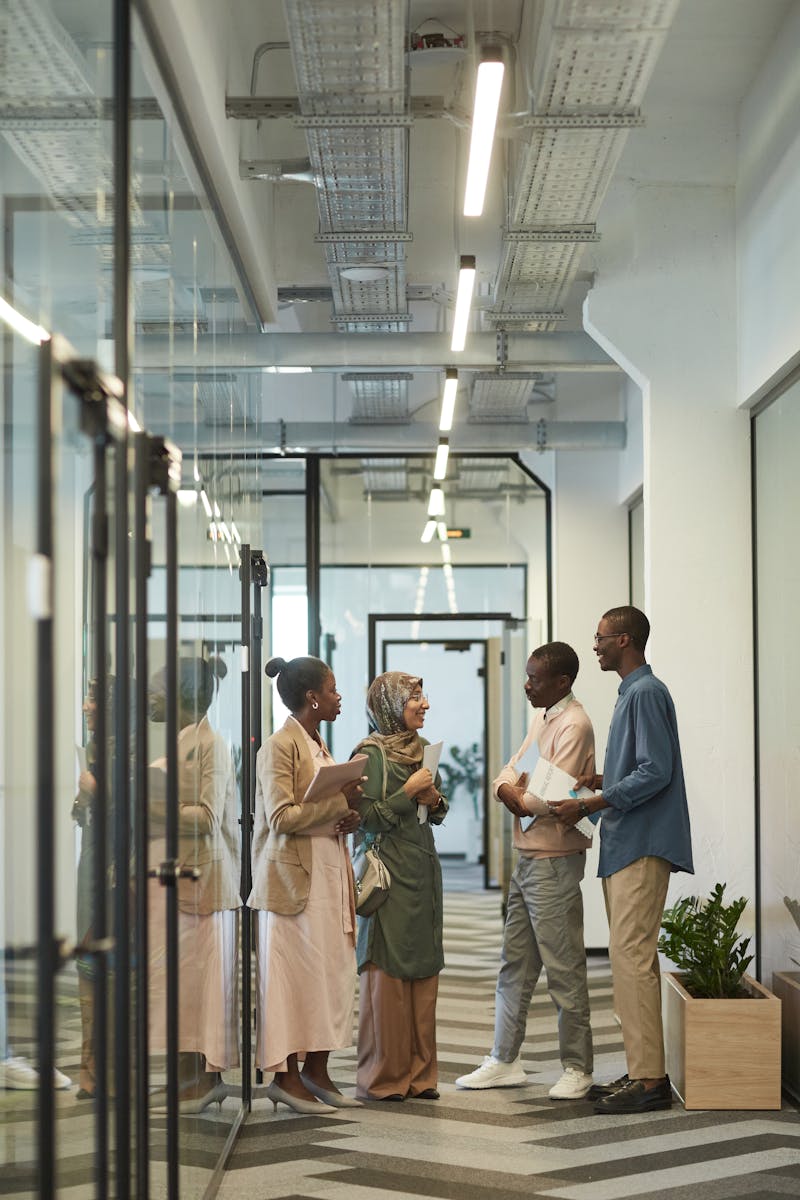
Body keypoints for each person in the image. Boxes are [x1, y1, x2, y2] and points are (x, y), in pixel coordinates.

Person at [550, 606, 693, 1115]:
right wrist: (604, 782)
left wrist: (591, 801)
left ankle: (651, 1081)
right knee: (629, 961)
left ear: (625, 640)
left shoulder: (646, 693)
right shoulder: (632, 692)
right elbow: (641, 770)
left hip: (642, 842)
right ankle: (641, 1071)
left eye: (601, 637)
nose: (595, 645)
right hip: (628, 841)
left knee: (631, 960)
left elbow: (657, 772)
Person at [456, 642, 595, 1100]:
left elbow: (547, 796)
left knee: (563, 967)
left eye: (534, 678)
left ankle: (578, 1067)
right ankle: (504, 1059)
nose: (526, 684)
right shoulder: (544, 716)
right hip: (527, 855)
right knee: (514, 964)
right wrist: (507, 790)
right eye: (527, 674)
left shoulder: (575, 724)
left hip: (554, 861)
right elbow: (510, 772)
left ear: (562, 682)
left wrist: (514, 794)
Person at [249, 655, 364, 1114]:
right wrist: (337, 803)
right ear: (313, 698)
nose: (340, 697)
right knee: (293, 982)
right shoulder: (279, 746)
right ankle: (286, 1078)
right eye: (333, 690)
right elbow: (280, 818)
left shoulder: (318, 743)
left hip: (327, 877)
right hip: (292, 885)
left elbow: (323, 811)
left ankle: (317, 1070)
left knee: (330, 978)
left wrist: (347, 815)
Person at [148, 656, 241, 1113]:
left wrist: (151, 805)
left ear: (183, 695)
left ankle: (207, 1079)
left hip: (205, 882)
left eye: (156, 689)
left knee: (203, 984)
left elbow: (207, 818)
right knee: (180, 984)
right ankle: (185, 1076)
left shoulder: (212, 745)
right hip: (178, 882)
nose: (149, 698)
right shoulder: (179, 740)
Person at [352, 672, 447, 1102]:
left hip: (422, 871)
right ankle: (385, 1077)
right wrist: (408, 792)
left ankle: (421, 1076)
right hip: (387, 875)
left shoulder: (423, 751)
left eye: (424, 695)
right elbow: (363, 819)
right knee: (388, 977)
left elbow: (437, 813)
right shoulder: (370, 755)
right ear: (390, 705)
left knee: (424, 972)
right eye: (415, 697)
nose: (425, 703)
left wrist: (434, 801)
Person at [71, 677, 117, 1099]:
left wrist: (95, 790)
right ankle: (91, 1068)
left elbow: (132, 808)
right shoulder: (93, 749)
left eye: (93, 699)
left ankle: (104, 1067)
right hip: (92, 867)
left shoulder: (128, 752)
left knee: (115, 968)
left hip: (115, 870)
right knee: (90, 966)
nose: (86, 707)